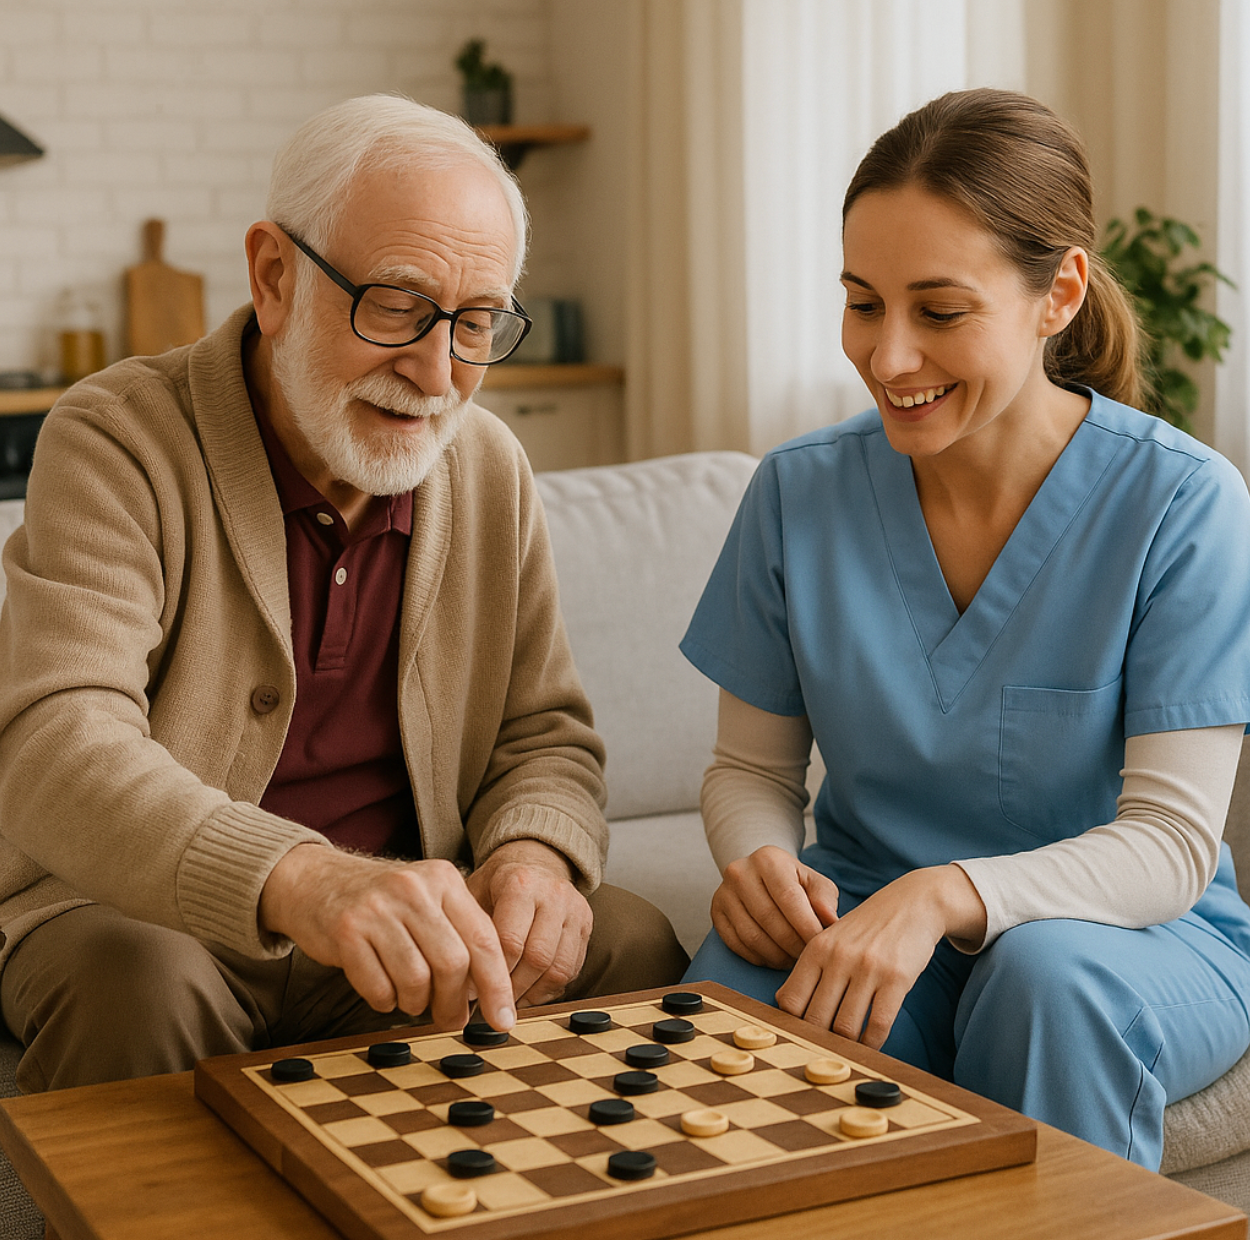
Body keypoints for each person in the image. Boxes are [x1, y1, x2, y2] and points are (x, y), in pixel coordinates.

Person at [0, 94, 687, 1093]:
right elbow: (58, 741)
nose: (436, 369)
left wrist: (533, 854)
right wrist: (303, 879)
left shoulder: (487, 465)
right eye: (398, 306)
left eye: (477, 323)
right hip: (135, 914)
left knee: (626, 941)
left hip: (394, 937)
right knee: (139, 983)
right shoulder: (116, 438)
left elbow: (541, 734)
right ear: (274, 276)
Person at [679, 87, 1250, 1169]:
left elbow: (1170, 847)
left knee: (1045, 985)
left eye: (937, 311)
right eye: (860, 303)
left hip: (1130, 938)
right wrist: (755, 858)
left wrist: (946, 894)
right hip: (859, 910)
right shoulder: (796, 496)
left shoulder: (1182, 504)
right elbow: (745, 769)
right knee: (734, 993)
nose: (888, 357)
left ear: (1057, 293)